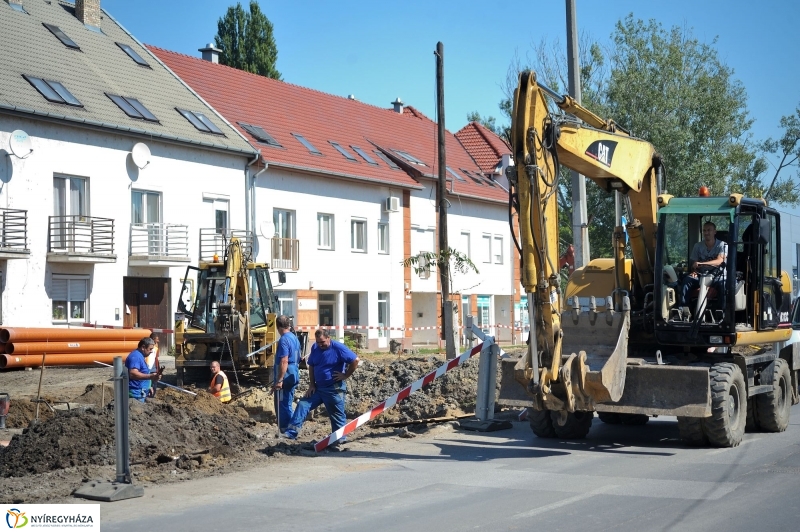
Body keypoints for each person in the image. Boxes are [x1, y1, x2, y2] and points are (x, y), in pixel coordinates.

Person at [284, 329, 359, 445]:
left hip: (333, 388)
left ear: (328, 338)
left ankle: (340, 438)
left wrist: (345, 375)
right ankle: (291, 432)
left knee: (336, 413)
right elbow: (312, 366)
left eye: (323, 342)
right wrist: (312, 385)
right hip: (318, 388)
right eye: (318, 342)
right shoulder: (315, 347)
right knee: (303, 404)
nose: (320, 345)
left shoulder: (338, 348)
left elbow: (355, 360)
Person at [678, 221, 728, 319]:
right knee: (687, 281)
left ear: (715, 231)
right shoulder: (698, 246)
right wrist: (694, 271)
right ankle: (683, 310)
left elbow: (719, 261)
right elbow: (694, 264)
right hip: (701, 275)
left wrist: (702, 263)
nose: (706, 233)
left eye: (709, 230)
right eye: (704, 230)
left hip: (717, 275)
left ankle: (720, 312)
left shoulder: (722, 245)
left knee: (724, 285)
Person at [273, 315, 301, 432]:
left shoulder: (284, 339)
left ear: (278, 326)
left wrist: (279, 380)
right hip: (293, 372)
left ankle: (286, 429)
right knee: (287, 402)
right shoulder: (294, 338)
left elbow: (284, 360)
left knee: (282, 403)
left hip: (286, 374)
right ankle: (291, 429)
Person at [125, 337, 163, 403]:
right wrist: (151, 376)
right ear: (143, 347)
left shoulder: (140, 356)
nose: (151, 351)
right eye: (150, 349)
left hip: (140, 392)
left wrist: (148, 387)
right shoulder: (135, 357)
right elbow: (133, 373)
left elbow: (143, 372)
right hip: (136, 394)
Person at [142, 334, 161, 398]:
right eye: (157, 339)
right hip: (147, 369)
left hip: (153, 369)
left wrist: (158, 369)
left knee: (154, 385)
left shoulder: (156, 348)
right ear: (153, 339)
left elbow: (156, 359)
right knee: (147, 384)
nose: (158, 341)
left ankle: (151, 397)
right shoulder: (145, 349)